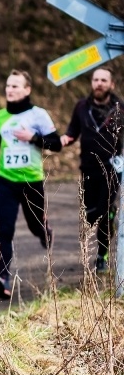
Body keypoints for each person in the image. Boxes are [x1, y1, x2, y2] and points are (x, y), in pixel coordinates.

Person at [0, 69, 62, 299]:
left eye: (15, 86)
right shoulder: (0, 115)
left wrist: (33, 138)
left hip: (31, 181)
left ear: (27, 90)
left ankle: (44, 231)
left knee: (35, 226)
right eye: (8, 85)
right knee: (5, 230)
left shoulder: (38, 115)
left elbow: (56, 144)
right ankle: (2, 278)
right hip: (6, 180)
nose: (10, 89)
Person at [60, 67, 123, 273]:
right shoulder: (81, 107)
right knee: (90, 215)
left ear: (111, 84)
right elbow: (72, 131)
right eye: (96, 80)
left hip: (111, 169)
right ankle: (109, 213)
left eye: (104, 80)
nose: (99, 84)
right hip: (88, 168)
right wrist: (65, 139)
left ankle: (102, 256)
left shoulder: (120, 108)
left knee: (103, 213)